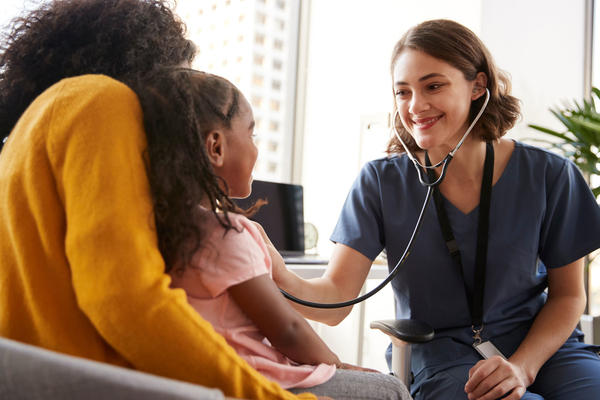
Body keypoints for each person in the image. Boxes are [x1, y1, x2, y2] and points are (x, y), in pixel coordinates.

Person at [268, 19, 600, 400]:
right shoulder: (381, 183)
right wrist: (272, 270)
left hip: (545, 348)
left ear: (477, 86)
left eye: (433, 86)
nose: (415, 106)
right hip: (444, 357)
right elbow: (334, 301)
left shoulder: (550, 174)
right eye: (402, 92)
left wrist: (523, 366)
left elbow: (569, 296)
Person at [0, 1, 318, 399]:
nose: (186, 105)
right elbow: (126, 300)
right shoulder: (102, 101)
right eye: (182, 85)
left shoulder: (36, 125)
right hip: (99, 380)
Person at [134, 66, 410, 400]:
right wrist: (340, 366)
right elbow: (287, 330)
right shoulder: (226, 234)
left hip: (199, 377)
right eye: (251, 135)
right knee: (390, 389)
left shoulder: (162, 227)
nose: (255, 148)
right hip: (255, 378)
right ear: (215, 148)